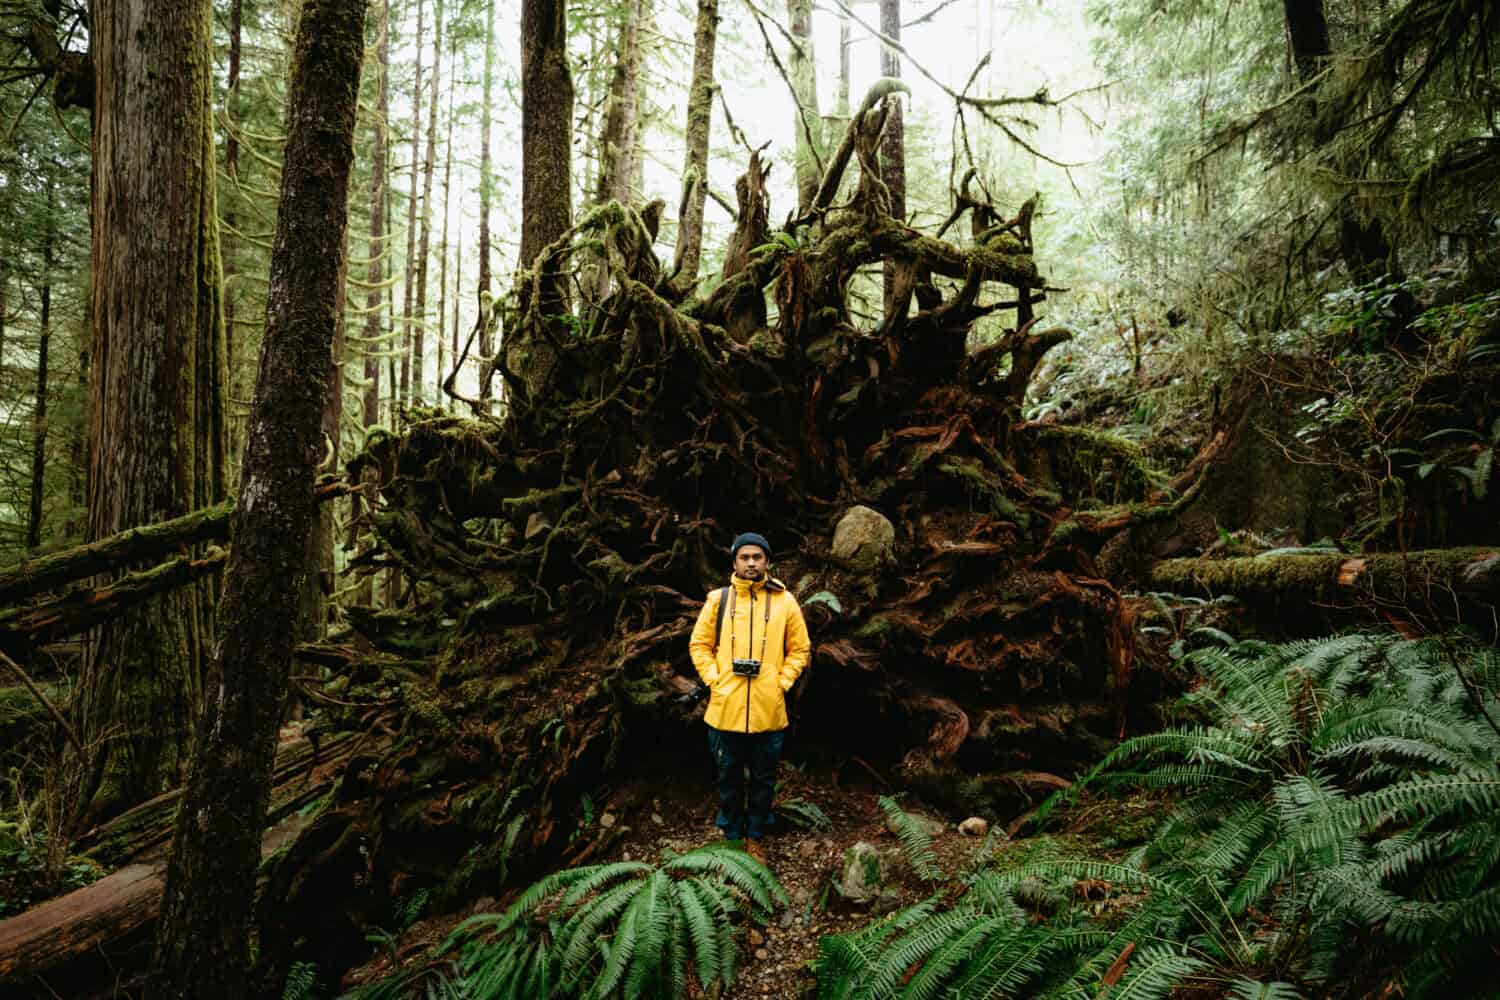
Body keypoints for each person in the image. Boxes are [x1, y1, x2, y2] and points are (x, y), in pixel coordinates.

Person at [688, 532, 811, 863]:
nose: (752, 563)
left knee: (763, 777)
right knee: (727, 773)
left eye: (758, 557)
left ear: (767, 561)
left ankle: (756, 830)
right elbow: (699, 645)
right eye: (745, 557)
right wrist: (716, 680)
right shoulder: (719, 600)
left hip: (768, 710)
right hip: (724, 708)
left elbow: (799, 649)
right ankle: (731, 831)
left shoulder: (785, 602)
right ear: (734, 562)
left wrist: (780, 682)